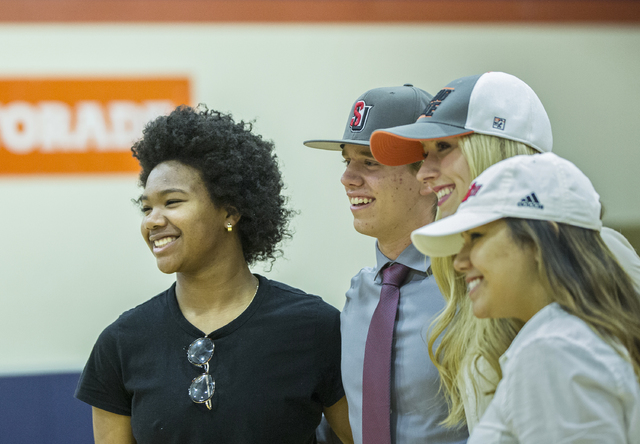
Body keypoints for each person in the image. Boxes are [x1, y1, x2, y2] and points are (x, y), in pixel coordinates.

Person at [369, 72, 640, 430]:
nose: (423, 174)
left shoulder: (597, 251)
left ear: (494, 148)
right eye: (423, 156)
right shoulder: (460, 271)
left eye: (443, 148)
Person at [75, 105, 352, 444]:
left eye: (172, 202)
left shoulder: (315, 328)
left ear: (230, 212)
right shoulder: (121, 342)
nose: (152, 220)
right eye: (146, 207)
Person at [410, 153, 640, 442]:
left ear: (539, 243)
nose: (460, 261)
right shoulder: (571, 339)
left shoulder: (554, 349)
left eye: (477, 237)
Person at [304, 85, 468, 444]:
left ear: (427, 175)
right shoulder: (358, 293)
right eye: (347, 161)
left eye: (369, 162)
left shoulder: (470, 286)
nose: (348, 179)